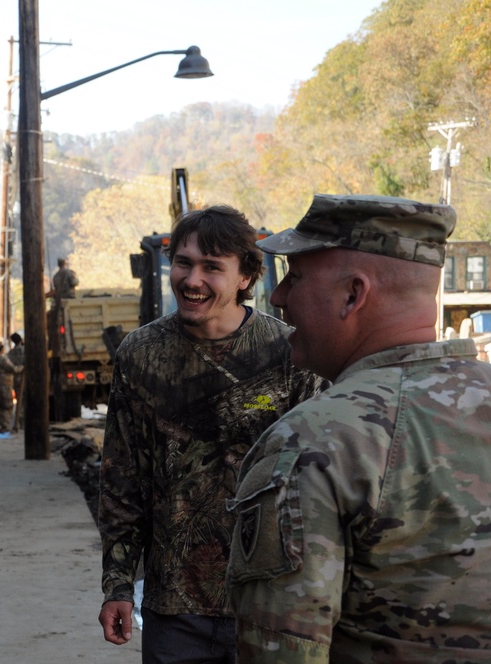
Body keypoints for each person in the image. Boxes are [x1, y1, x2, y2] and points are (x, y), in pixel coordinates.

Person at [227, 194, 491, 662]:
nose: (280, 296)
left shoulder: (313, 441)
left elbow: (281, 651)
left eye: (296, 275)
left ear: (353, 294)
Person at [97, 205, 327, 663]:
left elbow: (321, 482)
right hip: (174, 610)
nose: (192, 279)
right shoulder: (140, 356)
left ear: (245, 277)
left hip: (273, 603)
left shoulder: (289, 354)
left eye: (212, 267)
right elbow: (122, 480)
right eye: (183, 263)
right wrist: (117, 584)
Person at [0, 340, 19, 435]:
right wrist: (21, 367)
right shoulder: (2, 359)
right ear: (1, 349)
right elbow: (12, 368)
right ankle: (4, 426)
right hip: (3, 385)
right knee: (7, 405)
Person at [7, 332, 26, 432]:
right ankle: (24, 422)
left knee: (20, 401)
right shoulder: (25, 351)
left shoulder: (11, 353)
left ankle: (19, 422)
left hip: (16, 379)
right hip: (27, 379)